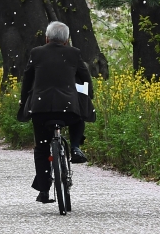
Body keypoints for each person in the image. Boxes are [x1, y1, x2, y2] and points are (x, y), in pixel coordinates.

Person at [18, 21, 95, 204]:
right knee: (78, 117)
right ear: (67, 40)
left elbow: (27, 79)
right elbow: (86, 79)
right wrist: (88, 96)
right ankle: (75, 147)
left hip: (40, 109)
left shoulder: (36, 53)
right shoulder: (74, 53)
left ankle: (44, 191)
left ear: (46, 38)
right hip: (68, 109)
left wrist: (23, 100)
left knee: (42, 149)